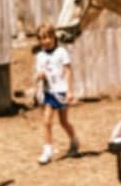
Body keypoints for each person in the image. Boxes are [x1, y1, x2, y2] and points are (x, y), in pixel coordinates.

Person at [35, 23, 79, 165]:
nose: (45, 41)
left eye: (48, 37)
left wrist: (69, 91)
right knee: (46, 122)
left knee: (63, 122)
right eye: (42, 38)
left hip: (61, 91)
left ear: (54, 37)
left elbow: (68, 71)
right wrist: (39, 76)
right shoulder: (40, 56)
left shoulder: (61, 52)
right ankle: (47, 150)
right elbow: (40, 72)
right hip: (49, 92)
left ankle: (74, 140)